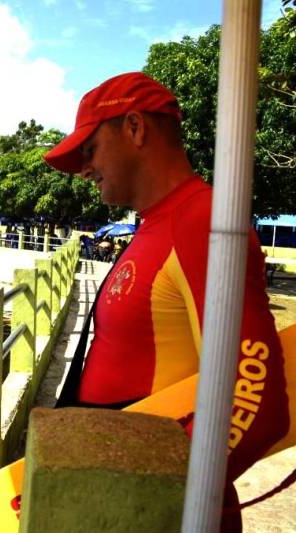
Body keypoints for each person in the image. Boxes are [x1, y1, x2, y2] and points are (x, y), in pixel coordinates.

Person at [43, 72, 289, 531]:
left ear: (135, 128)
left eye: (90, 150)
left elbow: (257, 403)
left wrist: (140, 502)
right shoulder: (155, 224)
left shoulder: (203, 222)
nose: (83, 170)